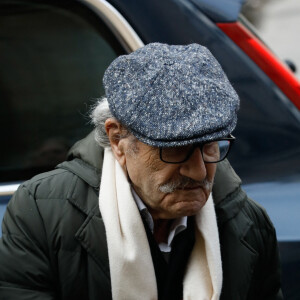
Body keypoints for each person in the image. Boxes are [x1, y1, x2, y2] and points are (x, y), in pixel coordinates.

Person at [0, 43, 283, 300]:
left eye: (210, 146)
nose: (198, 172)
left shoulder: (249, 223)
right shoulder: (40, 213)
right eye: (173, 149)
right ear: (117, 140)